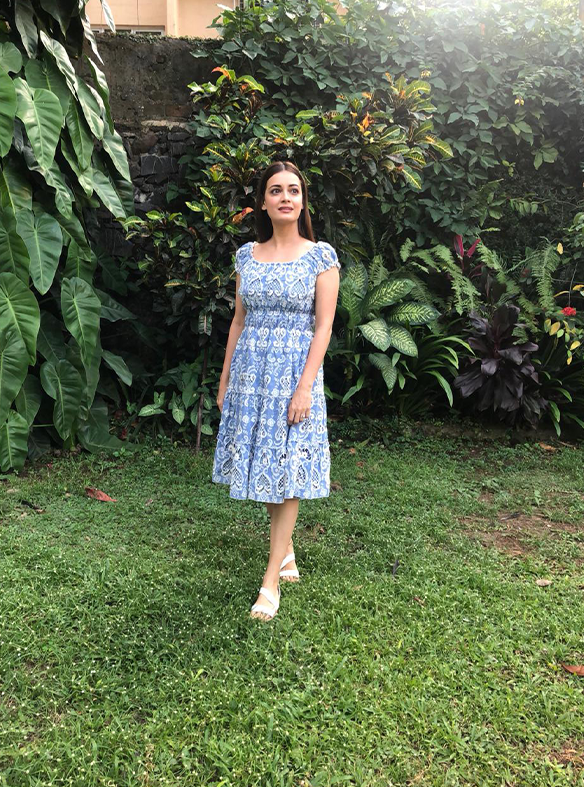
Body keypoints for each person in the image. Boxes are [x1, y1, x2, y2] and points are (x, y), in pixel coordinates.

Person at [212, 161, 340, 621]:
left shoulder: (320, 257)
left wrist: (305, 388)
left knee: (286, 466)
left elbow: (323, 326)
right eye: (276, 190)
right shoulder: (247, 257)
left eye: (293, 190)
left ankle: (271, 580)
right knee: (265, 460)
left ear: (302, 201)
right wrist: (226, 379)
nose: (286, 197)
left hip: (294, 375)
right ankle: (284, 550)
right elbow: (238, 321)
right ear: (263, 203)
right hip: (251, 374)